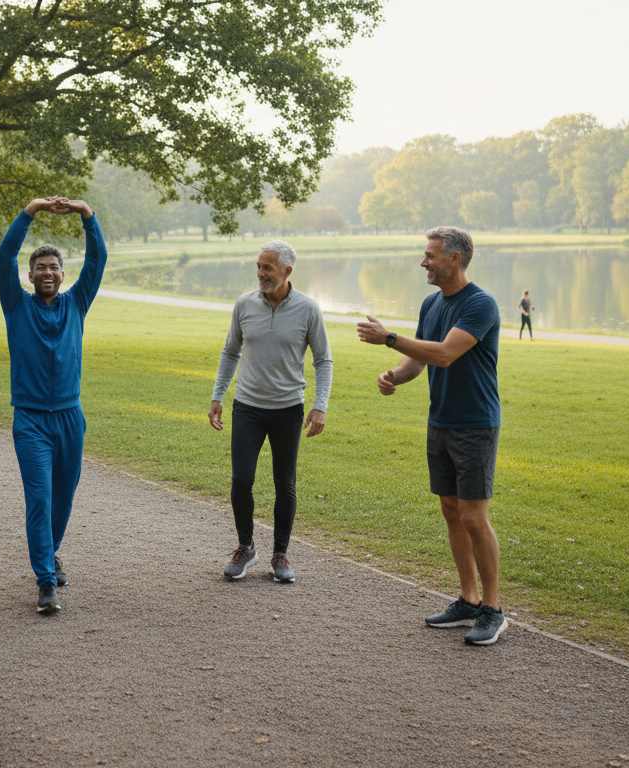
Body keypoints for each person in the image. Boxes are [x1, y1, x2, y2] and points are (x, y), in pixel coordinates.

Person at [356, 226, 506, 646]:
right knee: (450, 511)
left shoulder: (480, 304)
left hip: (475, 425)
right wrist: (395, 377)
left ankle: (493, 609)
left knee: (475, 517)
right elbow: (419, 360)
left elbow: (443, 354)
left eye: (430, 255)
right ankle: (468, 599)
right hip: (440, 422)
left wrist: (387, 337)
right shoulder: (431, 303)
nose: (424, 261)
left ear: (454, 259)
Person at [0, 196, 106, 615]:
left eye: (54, 267)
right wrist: (29, 210)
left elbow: (98, 260)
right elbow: (5, 254)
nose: (47, 273)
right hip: (30, 420)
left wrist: (87, 216)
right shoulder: (16, 305)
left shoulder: (76, 304)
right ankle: (45, 580)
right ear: (30, 274)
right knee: (40, 498)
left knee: (64, 496)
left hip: (69, 417)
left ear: (63, 274)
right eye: (40, 267)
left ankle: (50, 552)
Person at [210, 241, 332, 584]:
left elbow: (323, 360)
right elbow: (230, 351)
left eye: (268, 268)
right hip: (247, 406)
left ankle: (280, 554)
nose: (262, 273)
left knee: (285, 483)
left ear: (287, 271)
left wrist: (320, 405)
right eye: (259, 267)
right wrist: (217, 395)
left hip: (287, 409)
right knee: (241, 479)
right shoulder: (244, 304)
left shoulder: (308, 309)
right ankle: (245, 547)